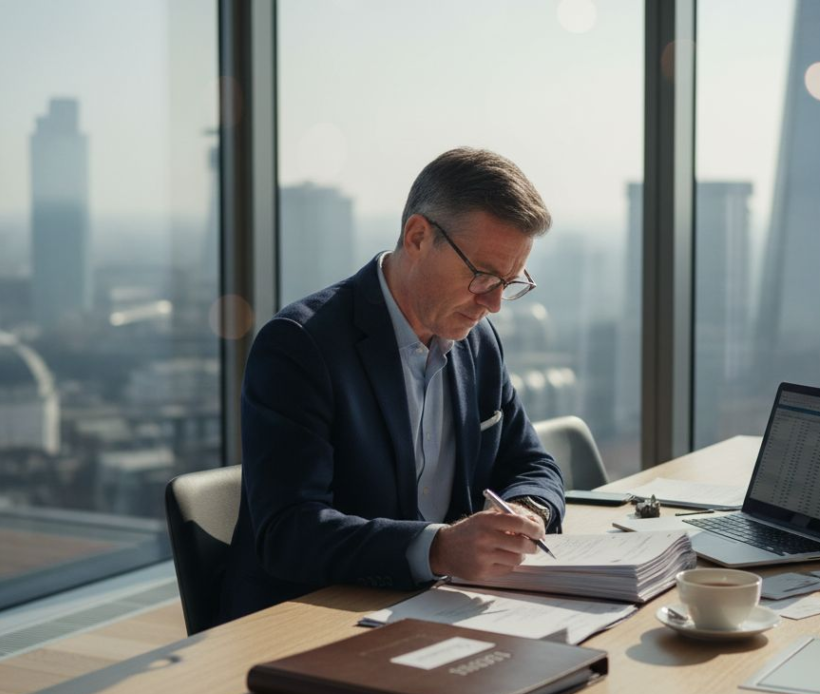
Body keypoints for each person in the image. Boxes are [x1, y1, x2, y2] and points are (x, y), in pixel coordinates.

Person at [223, 148, 565, 620]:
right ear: (418, 236)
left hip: (440, 611)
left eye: (509, 282)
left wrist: (528, 512)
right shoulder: (300, 346)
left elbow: (532, 463)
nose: (494, 304)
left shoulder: (478, 341)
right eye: (483, 276)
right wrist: (438, 549)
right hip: (316, 621)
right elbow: (289, 532)